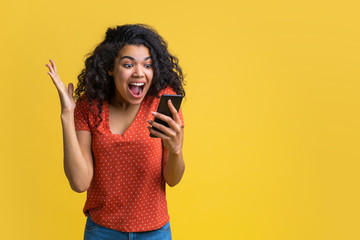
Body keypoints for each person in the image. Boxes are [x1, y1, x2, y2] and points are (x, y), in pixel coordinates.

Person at [45, 23, 186, 240]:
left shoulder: (162, 102)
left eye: (147, 65)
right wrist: (67, 114)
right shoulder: (89, 107)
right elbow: (80, 183)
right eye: (128, 65)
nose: (139, 72)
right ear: (110, 68)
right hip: (102, 231)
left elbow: (173, 178)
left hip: (154, 233)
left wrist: (176, 151)